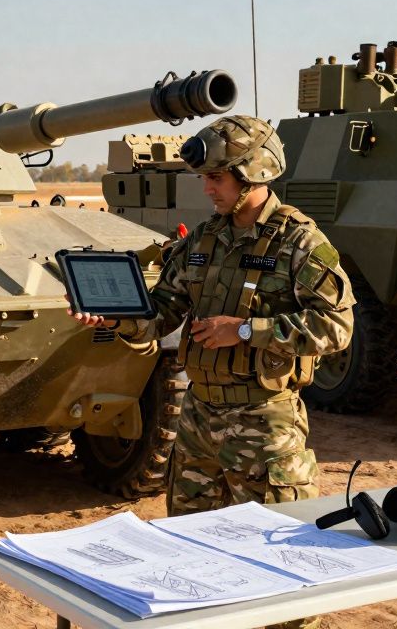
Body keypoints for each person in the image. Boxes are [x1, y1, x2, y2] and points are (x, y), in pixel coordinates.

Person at [72, 114, 355, 516]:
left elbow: (337, 327)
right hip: (197, 421)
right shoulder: (203, 240)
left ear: (253, 173)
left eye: (217, 178)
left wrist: (245, 330)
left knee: (271, 541)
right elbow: (162, 314)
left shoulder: (299, 243)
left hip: (264, 425)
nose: (207, 189)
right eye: (205, 178)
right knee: (188, 541)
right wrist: (115, 318)